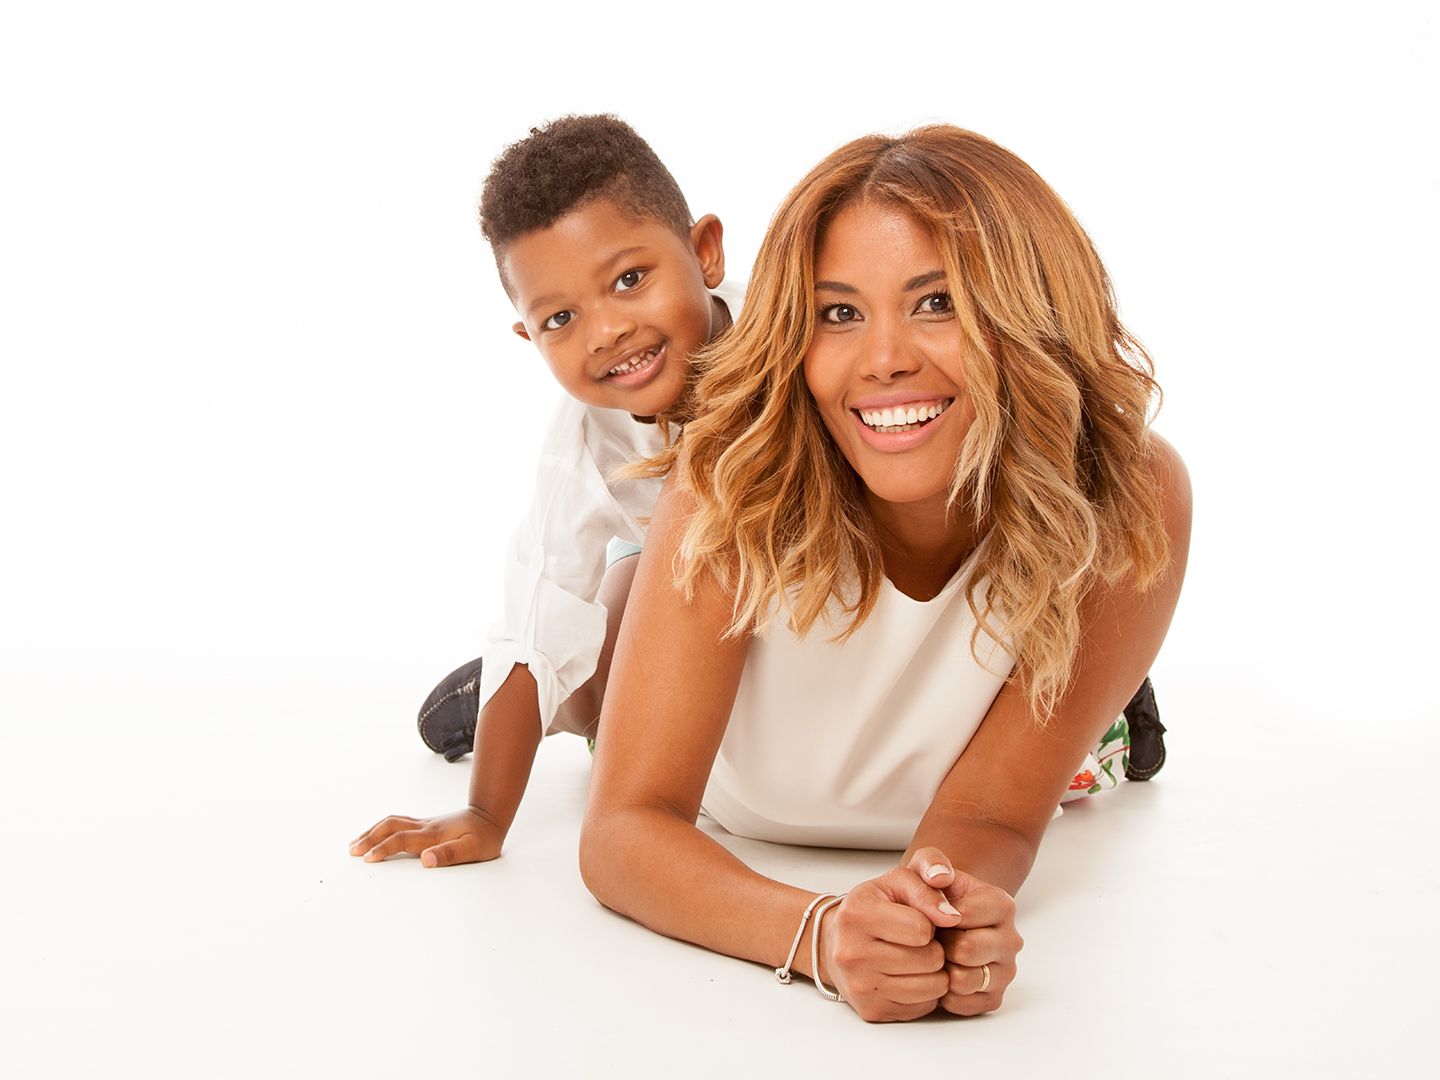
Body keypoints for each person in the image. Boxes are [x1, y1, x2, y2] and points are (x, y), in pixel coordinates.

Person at [578, 126, 1192, 1022]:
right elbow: (625, 829)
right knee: (605, 640)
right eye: (838, 313)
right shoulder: (724, 485)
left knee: (1071, 727)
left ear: (1029, 310)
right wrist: (826, 935)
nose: (883, 358)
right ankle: (555, 669)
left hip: (968, 723)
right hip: (731, 778)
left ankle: (1104, 699)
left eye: (937, 301)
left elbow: (990, 818)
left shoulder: (1135, 494)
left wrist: (932, 918)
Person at [349, 114, 741, 866]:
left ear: (705, 253)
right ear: (530, 336)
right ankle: (572, 699)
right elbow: (540, 613)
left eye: (630, 280)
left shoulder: (804, 341)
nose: (605, 331)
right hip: (672, 578)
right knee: (623, 600)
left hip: (795, 578)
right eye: (561, 317)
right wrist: (486, 816)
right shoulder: (586, 445)